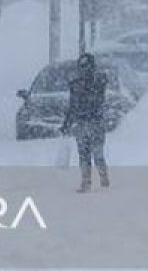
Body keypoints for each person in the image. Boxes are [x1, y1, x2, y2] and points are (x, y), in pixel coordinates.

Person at [60, 53, 110, 193]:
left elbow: (98, 99)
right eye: (81, 67)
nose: (84, 70)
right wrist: (67, 123)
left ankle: (103, 177)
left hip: (95, 122)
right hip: (82, 123)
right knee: (84, 154)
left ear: (92, 67)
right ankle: (86, 182)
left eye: (86, 66)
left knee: (97, 154)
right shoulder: (76, 85)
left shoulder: (98, 82)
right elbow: (72, 106)